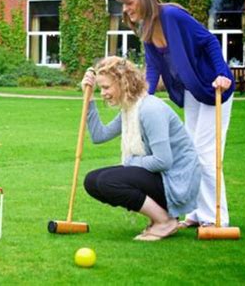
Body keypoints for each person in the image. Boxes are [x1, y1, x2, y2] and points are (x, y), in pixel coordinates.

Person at [113, 0, 235, 228]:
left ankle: (215, 218)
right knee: (189, 154)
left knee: (205, 152)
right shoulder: (147, 30)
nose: (125, 9)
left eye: (128, 2)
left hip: (214, 89)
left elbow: (209, 41)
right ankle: (195, 213)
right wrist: (141, 99)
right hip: (191, 93)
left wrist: (223, 74)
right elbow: (153, 70)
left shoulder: (172, 16)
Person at [82, 57, 201, 241]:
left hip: (176, 182)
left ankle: (165, 221)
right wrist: (88, 99)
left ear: (123, 82)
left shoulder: (150, 109)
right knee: (92, 181)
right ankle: (160, 217)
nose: (103, 93)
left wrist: (131, 162)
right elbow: (99, 135)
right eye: (101, 88)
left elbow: (163, 160)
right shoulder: (130, 108)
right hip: (158, 176)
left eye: (106, 87)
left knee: (108, 181)